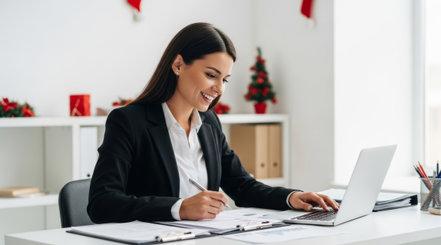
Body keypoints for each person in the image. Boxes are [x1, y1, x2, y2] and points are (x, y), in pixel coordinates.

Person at [87, 22, 339, 223]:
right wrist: (179, 208)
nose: (219, 89)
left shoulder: (208, 123)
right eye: (211, 75)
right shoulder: (129, 121)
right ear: (178, 65)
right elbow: (102, 203)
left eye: (225, 80)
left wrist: (292, 197)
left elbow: (242, 186)